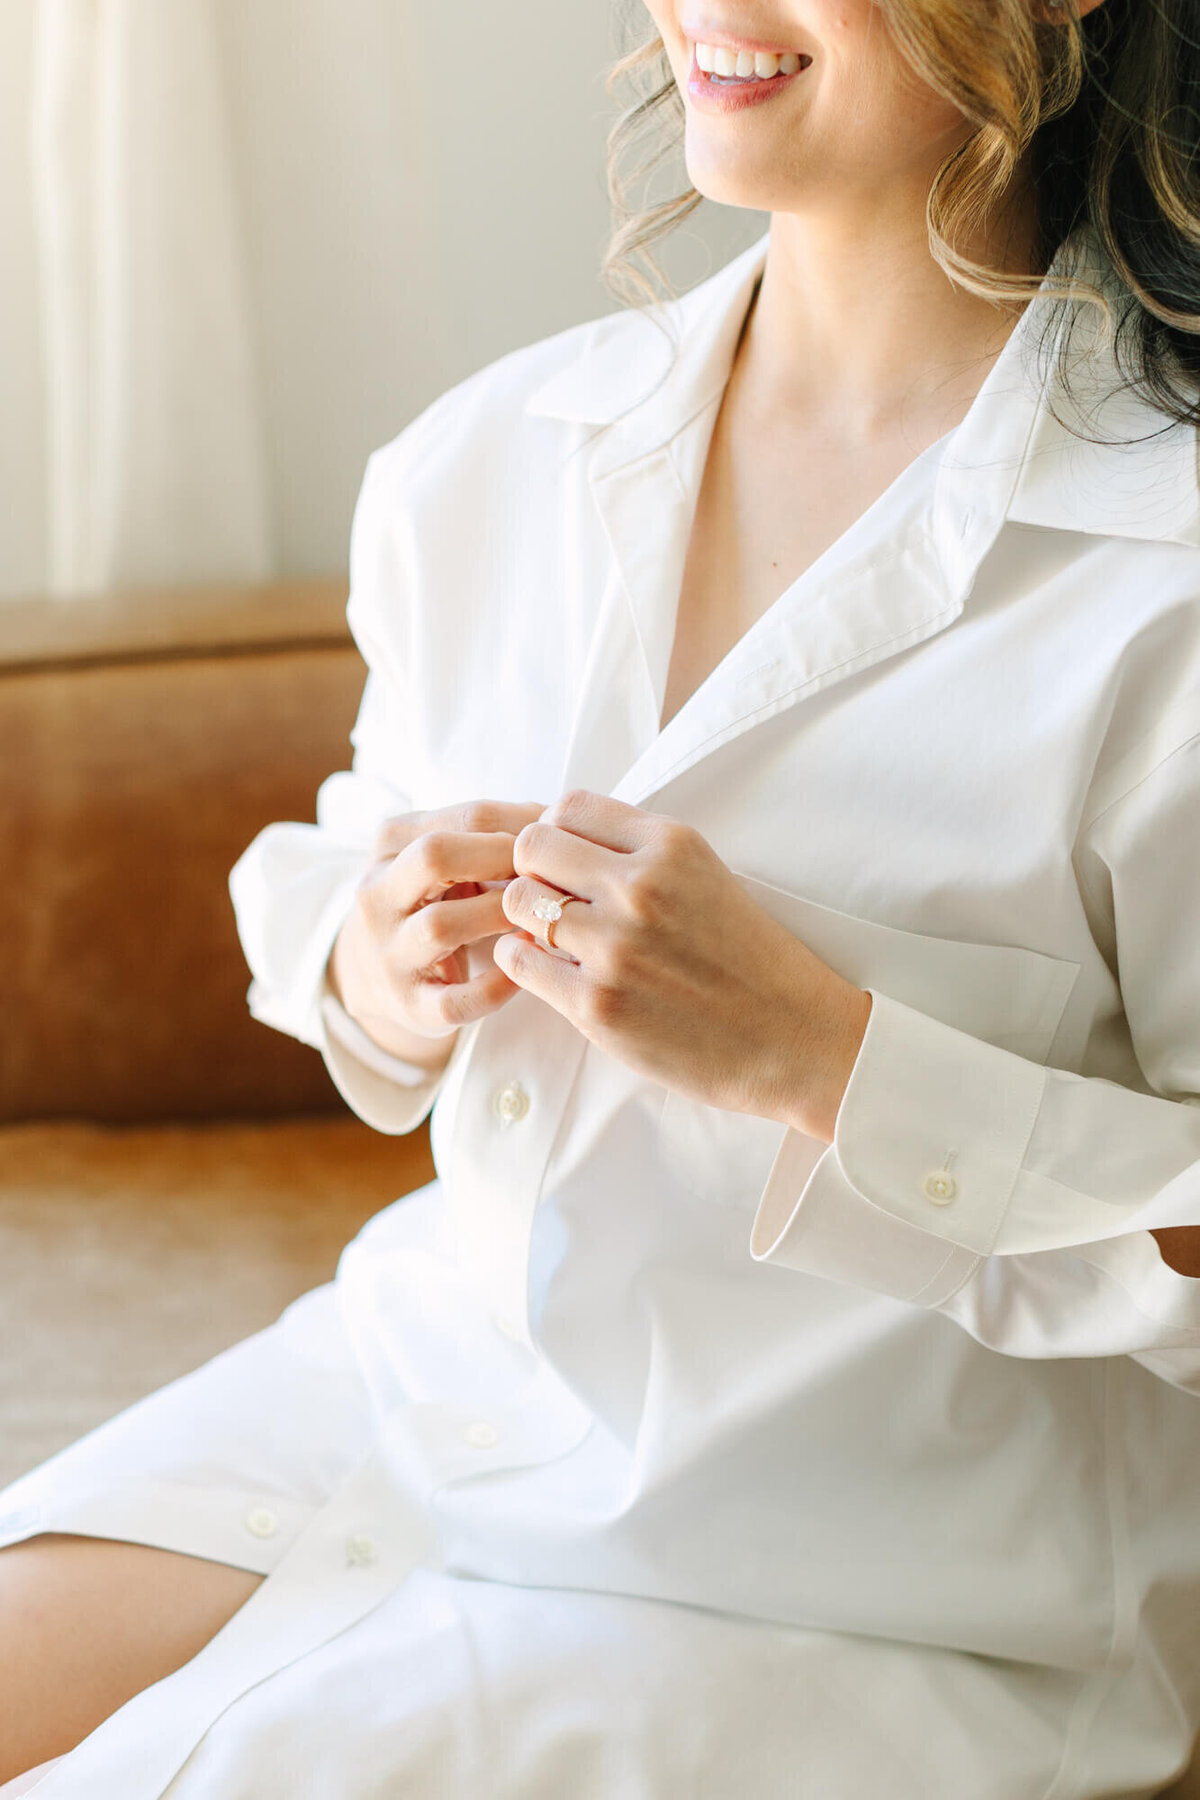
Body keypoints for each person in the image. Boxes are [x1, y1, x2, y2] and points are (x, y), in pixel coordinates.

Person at [2, 0, 1200, 1793]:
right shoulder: (486, 462)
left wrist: (822, 1051)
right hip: (405, 1402)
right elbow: (348, 863)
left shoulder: (1162, 585)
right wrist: (377, 958)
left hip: (854, 1594)